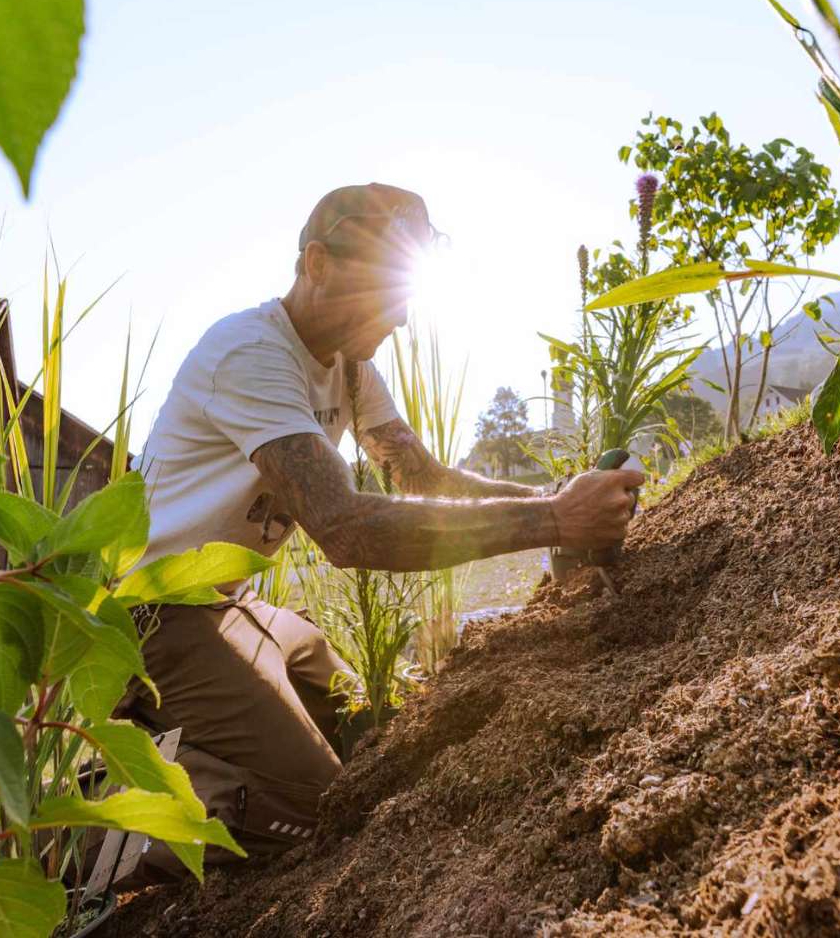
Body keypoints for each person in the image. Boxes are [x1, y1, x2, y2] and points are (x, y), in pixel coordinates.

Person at [120, 183, 642, 875]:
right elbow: (346, 529)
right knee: (317, 808)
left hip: (229, 603)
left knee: (366, 729)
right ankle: (108, 811)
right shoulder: (249, 355)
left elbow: (423, 477)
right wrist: (553, 519)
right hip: (157, 617)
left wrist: (554, 498)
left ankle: (187, 739)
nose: (399, 312)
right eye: (383, 285)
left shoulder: (351, 367)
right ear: (316, 264)